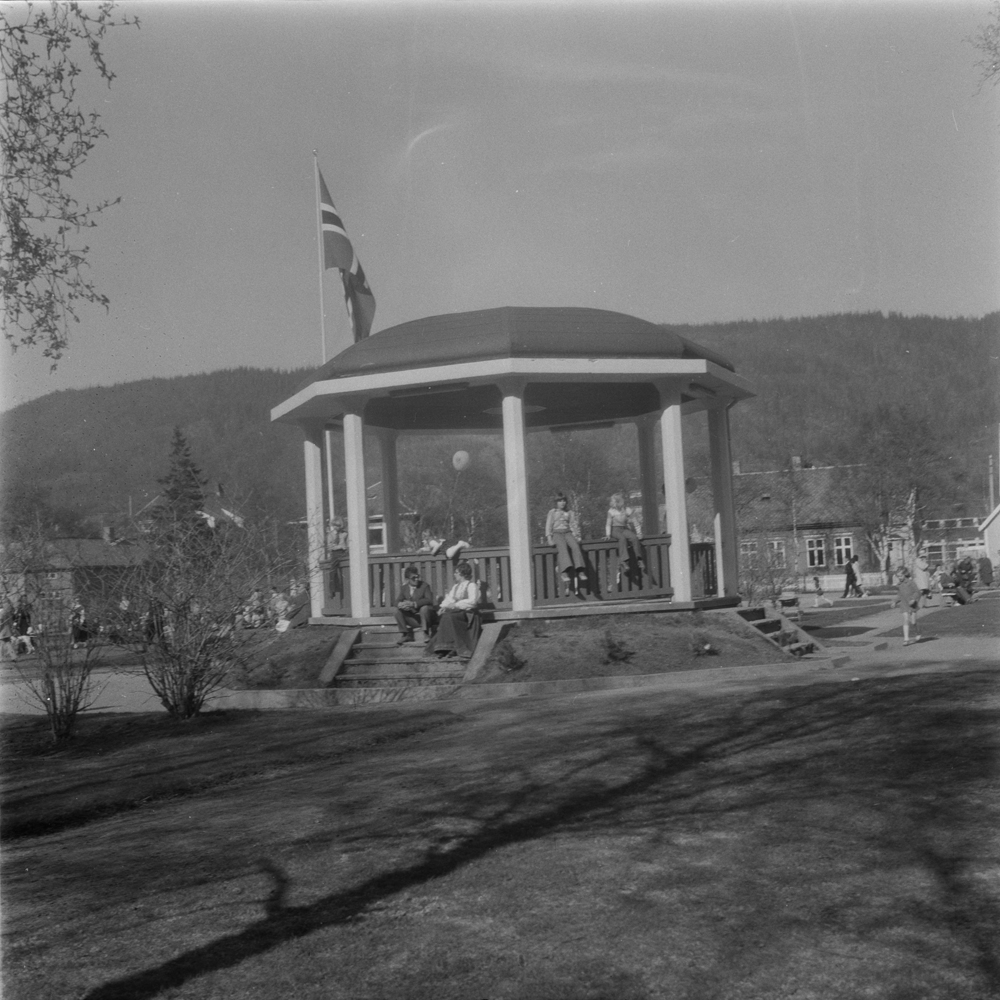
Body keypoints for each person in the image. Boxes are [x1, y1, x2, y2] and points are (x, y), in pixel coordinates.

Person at [425, 561, 480, 659]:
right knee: (446, 616)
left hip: (467, 613)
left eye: (456, 572)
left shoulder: (471, 586)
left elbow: (472, 601)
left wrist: (456, 605)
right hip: (456, 612)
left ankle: (453, 648)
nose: (454, 574)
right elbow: (449, 599)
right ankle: (444, 648)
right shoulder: (456, 587)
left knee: (449, 617)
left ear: (462, 574)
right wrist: (443, 607)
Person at [545, 493, 586, 596]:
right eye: (560, 501)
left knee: (575, 547)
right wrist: (549, 538)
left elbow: (573, 524)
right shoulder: (552, 512)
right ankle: (564, 573)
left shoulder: (569, 512)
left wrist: (577, 536)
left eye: (564, 501)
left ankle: (580, 570)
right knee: (562, 549)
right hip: (557, 533)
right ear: (556, 502)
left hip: (567, 532)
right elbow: (548, 526)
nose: (562, 503)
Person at [605, 493, 644, 583]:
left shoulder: (626, 510)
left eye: (615, 502)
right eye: (613, 502)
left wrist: (639, 533)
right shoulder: (611, 512)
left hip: (623, 528)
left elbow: (635, 521)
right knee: (622, 539)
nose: (613, 504)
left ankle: (639, 559)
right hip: (614, 530)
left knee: (633, 538)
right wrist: (607, 534)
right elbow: (608, 524)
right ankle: (624, 561)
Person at [393, 565, 436, 644]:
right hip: (413, 619)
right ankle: (405, 634)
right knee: (397, 611)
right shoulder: (404, 588)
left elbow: (429, 600)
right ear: (407, 579)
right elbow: (396, 602)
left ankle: (426, 633)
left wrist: (414, 604)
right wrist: (401, 604)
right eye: (413, 578)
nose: (416, 579)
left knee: (424, 608)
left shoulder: (424, 586)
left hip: (425, 618)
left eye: (417, 577)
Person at [896, 567, 922, 646]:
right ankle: (906, 639)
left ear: (905, 575)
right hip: (904, 605)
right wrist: (895, 601)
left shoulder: (911, 583)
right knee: (906, 619)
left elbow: (917, 592)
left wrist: (914, 599)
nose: (899, 578)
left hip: (912, 605)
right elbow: (899, 595)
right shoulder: (899, 585)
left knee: (913, 622)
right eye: (898, 576)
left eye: (900, 576)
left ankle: (918, 633)